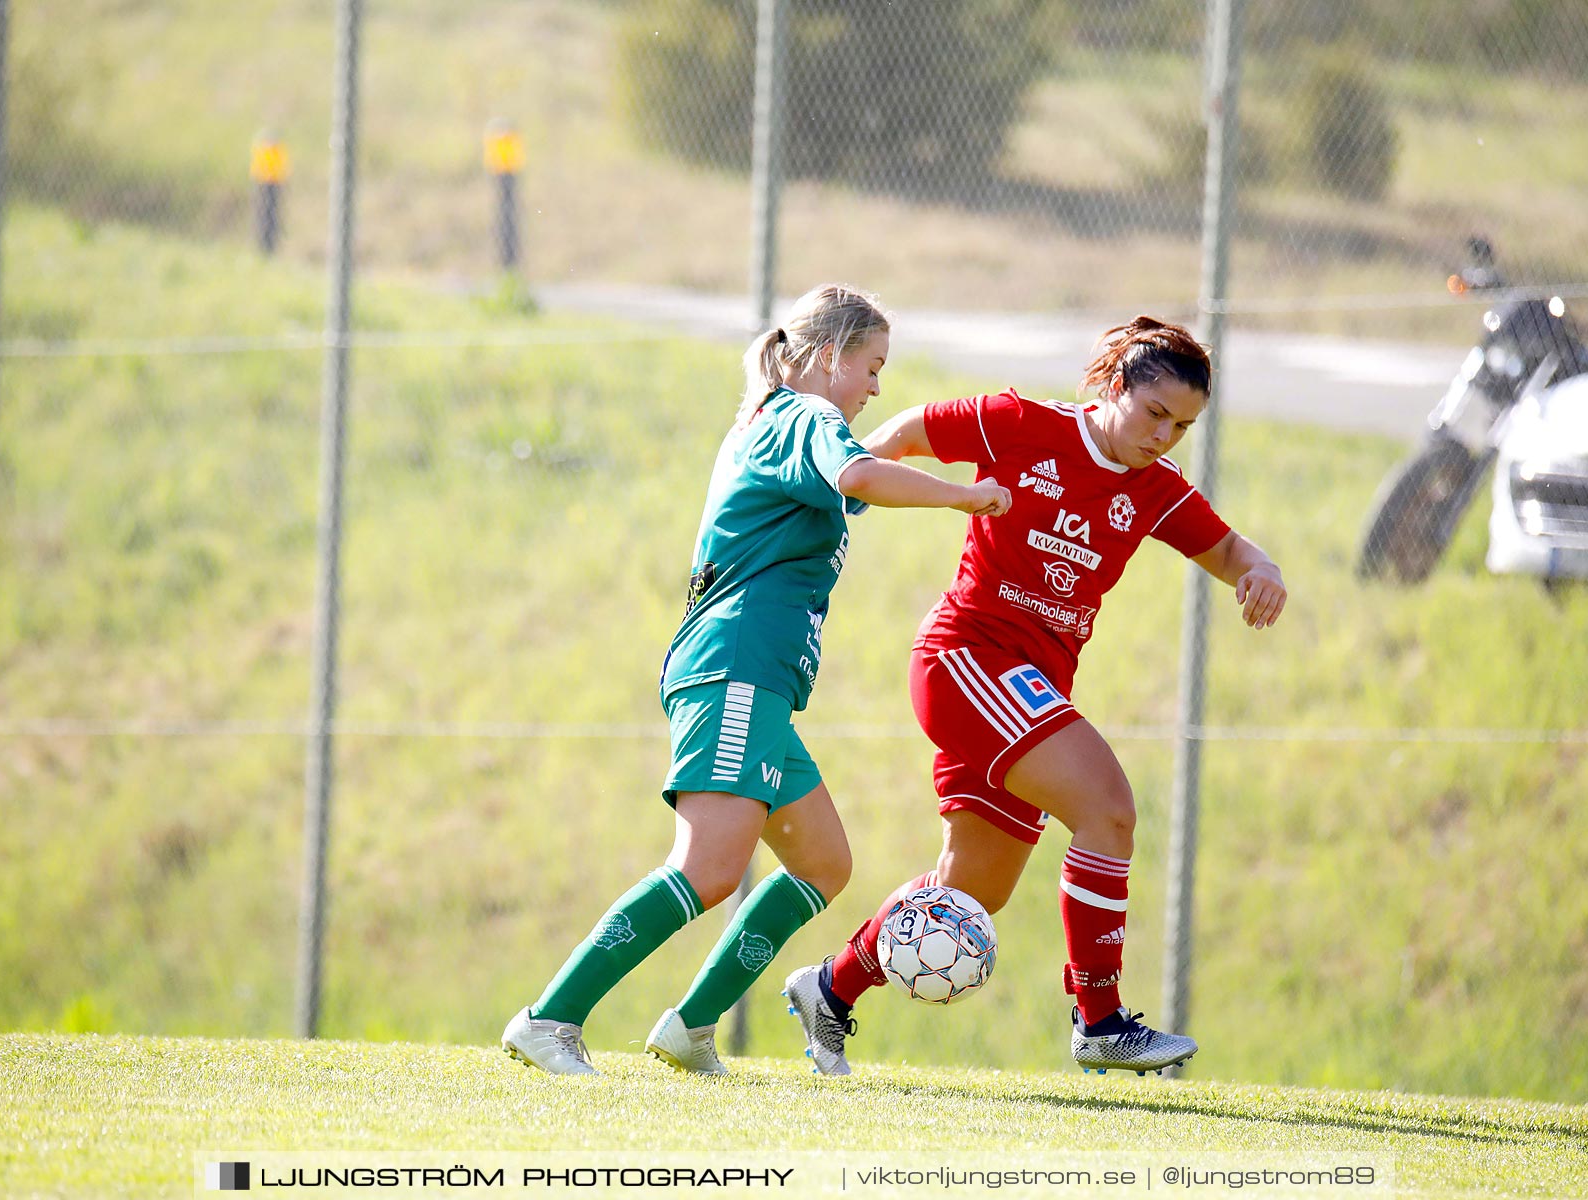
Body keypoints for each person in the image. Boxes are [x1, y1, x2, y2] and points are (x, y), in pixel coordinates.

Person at [501, 283, 1013, 1076]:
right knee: (707, 868)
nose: (878, 386)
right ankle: (550, 1019)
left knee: (822, 865)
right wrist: (965, 497)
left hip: (757, 680)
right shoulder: (807, 418)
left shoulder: (784, 422)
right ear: (828, 355)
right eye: (872, 366)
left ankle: (690, 1028)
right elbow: (861, 477)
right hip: (734, 666)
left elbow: (868, 469)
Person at [782, 315, 1287, 1077]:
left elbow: (1226, 548)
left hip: (1025, 688)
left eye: (1183, 425)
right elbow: (908, 430)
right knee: (1108, 807)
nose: (1165, 436)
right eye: (1154, 413)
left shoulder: (1153, 490)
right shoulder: (1022, 424)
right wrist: (839, 486)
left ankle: (830, 988)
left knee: (973, 891)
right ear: (1115, 387)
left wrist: (1261, 570)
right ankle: (1100, 1020)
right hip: (966, 660)